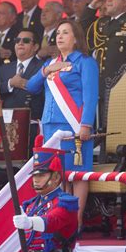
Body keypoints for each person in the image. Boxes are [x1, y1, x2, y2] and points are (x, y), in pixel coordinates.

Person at [26, 19, 98, 230]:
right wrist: (46, 71)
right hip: (50, 125)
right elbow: (31, 86)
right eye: (58, 33)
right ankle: (61, 216)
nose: (59, 36)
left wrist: (85, 124)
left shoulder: (84, 62)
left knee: (77, 172)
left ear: (75, 38)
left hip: (73, 124)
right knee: (58, 173)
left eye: (65, 33)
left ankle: (76, 219)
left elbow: (91, 95)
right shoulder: (51, 63)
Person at [13, 130, 79, 252]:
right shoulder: (32, 204)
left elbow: (52, 221)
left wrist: (31, 222)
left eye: (42, 175)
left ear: (55, 177)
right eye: (34, 176)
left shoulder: (66, 203)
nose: (36, 180)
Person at [0, 29, 44, 151]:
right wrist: (10, 83)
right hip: (7, 125)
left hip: (31, 125)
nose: (20, 43)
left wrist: (30, 84)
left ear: (35, 47)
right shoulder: (5, 68)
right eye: (17, 40)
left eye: (26, 41)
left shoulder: (42, 67)